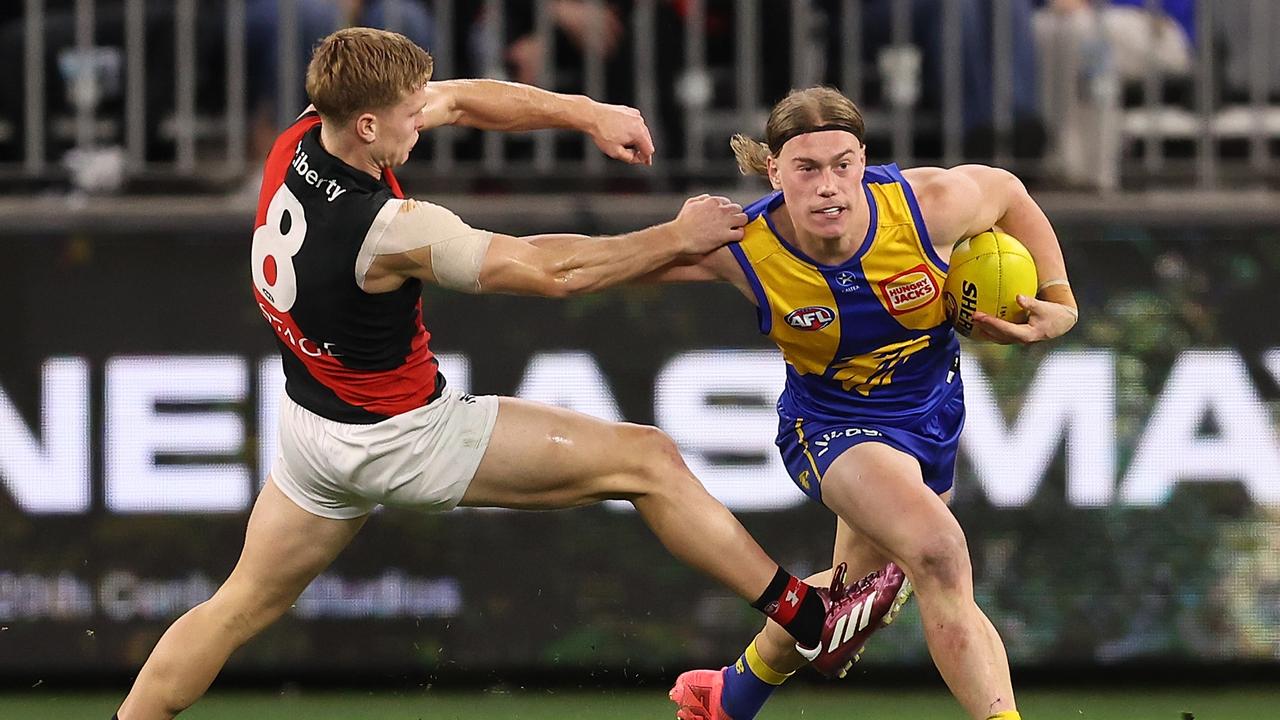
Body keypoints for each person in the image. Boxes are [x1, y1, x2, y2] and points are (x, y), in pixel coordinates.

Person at [111, 29, 874, 720]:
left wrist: (586, 111)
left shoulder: (304, 136)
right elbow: (553, 277)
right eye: (410, 113)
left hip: (314, 429)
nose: (426, 119)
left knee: (236, 606)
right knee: (649, 460)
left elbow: (463, 99)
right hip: (404, 437)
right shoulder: (390, 231)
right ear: (368, 124)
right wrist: (677, 237)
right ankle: (808, 621)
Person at [662, 86, 1079, 720]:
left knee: (854, 601)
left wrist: (1061, 301)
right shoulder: (744, 243)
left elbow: (1009, 192)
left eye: (842, 164)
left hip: (932, 416)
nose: (828, 185)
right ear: (773, 169)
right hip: (829, 427)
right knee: (938, 553)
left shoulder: (927, 207)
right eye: (806, 168)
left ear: (863, 160)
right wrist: (489, 255)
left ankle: (728, 696)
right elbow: (604, 261)